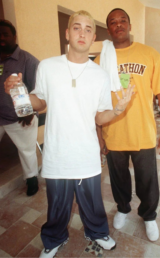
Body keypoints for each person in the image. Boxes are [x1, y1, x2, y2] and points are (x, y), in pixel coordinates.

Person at [4, 10, 135, 258]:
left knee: (93, 203)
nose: (82, 33)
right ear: (67, 33)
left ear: (94, 36)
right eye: (77, 27)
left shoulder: (100, 75)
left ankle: (97, 232)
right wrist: (18, 92)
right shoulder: (48, 66)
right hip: (57, 152)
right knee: (57, 206)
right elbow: (40, 103)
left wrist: (117, 110)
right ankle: (54, 238)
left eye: (88, 29)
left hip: (86, 153)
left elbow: (99, 116)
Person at [95, 8, 160, 242]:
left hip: (143, 132)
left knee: (147, 179)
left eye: (122, 21)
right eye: (112, 22)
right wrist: (99, 136)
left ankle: (148, 215)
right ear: (108, 28)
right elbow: (95, 102)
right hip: (114, 131)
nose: (118, 25)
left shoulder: (149, 55)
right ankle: (122, 208)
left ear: (129, 25)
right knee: (118, 178)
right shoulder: (101, 59)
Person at [0, 19, 40, 196]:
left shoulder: (28, 60)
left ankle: (31, 180)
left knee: (27, 151)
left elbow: (39, 91)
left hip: (20, 117)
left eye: (5, 34)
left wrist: (29, 113)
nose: (1, 38)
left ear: (14, 36)